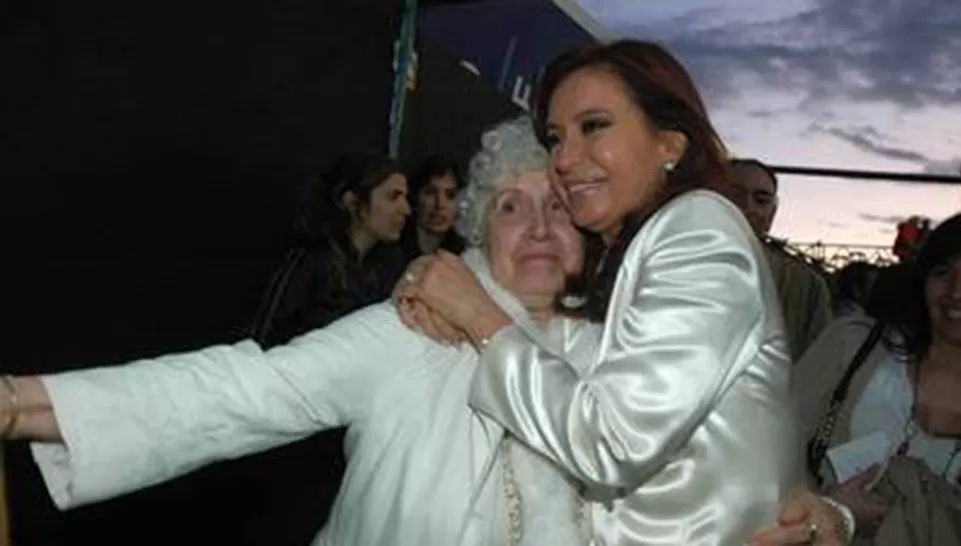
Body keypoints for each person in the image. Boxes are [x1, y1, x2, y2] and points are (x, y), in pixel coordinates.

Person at [1, 117, 845, 546]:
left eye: (559, 208)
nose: (540, 226)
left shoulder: (616, 358)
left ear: (590, 236)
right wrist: (20, 404)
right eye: (512, 207)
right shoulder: (411, 329)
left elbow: (719, 475)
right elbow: (240, 391)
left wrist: (832, 519)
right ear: (481, 228)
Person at [395, 42, 849, 544]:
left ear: (670, 145)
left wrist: (476, 315)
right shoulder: (618, 255)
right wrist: (424, 276)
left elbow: (611, 440)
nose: (564, 158)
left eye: (593, 126)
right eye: (555, 137)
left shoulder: (698, 228)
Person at [798, 213, 961, 544]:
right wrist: (829, 511)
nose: (958, 292)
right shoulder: (852, 348)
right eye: (943, 272)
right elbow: (766, 448)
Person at [248, 152, 410, 347]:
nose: (405, 209)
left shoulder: (386, 266)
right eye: (393, 197)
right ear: (353, 202)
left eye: (405, 198)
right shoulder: (311, 262)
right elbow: (261, 337)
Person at [726, 157, 833, 361]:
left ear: (772, 213)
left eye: (761, 200)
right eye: (734, 195)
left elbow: (819, 367)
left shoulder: (806, 287)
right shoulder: (668, 265)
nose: (747, 207)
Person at [400, 154, 467, 258]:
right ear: (415, 196)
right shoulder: (389, 251)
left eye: (450, 195)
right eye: (430, 192)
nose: (440, 204)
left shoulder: (464, 255)